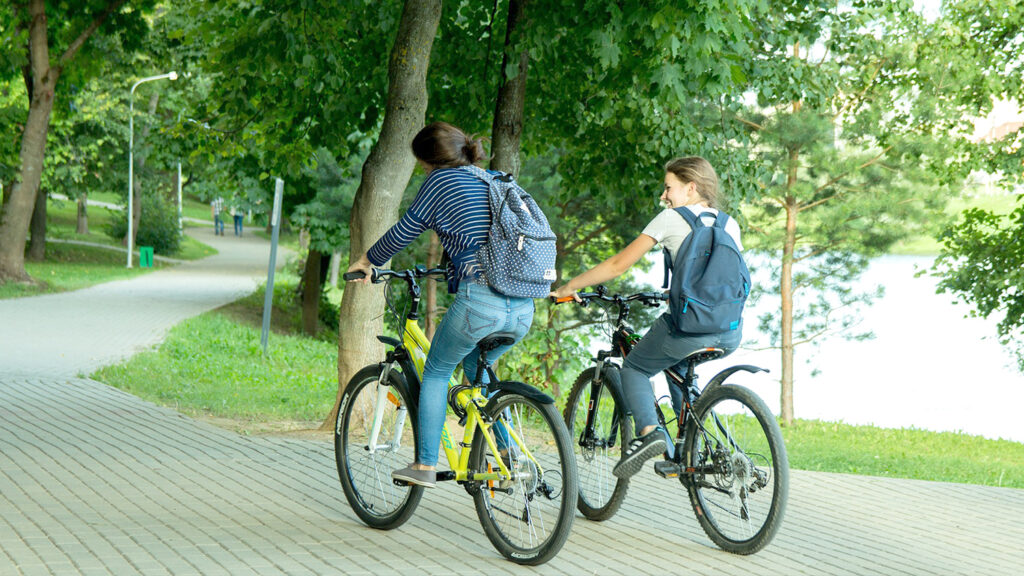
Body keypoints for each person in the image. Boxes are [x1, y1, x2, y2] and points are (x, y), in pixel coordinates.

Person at [345, 121, 535, 488]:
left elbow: (406, 229)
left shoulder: (440, 181)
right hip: (523, 306)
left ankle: (425, 466)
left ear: (430, 159)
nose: (421, 169)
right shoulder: (491, 178)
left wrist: (367, 261)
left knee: (435, 373)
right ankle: (505, 451)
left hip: (480, 303)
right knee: (478, 372)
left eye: (421, 162)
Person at [550, 156, 744, 479]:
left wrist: (569, 286)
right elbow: (720, 282)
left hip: (689, 329)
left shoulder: (670, 220)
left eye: (669, 188)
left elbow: (617, 265)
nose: (664, 195)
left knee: (636, 367)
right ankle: (687, 452)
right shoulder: (730, 224)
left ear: (691, 187)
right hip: (730, 332)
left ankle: (651, 433)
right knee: (676, 366)